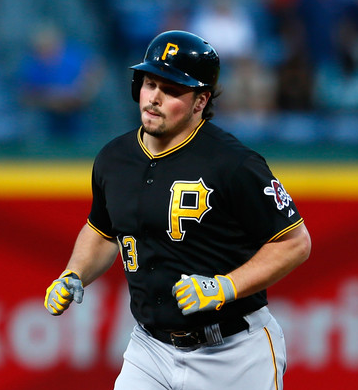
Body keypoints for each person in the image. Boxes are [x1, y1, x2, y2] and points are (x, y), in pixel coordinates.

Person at [44, 30, 311, 390]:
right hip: (149, 348)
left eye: (171, 90)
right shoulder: (114, 157)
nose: (154, 98)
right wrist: (73, 273)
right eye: (150, 83)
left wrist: (225, 287)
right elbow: (104, 230)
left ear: (200, 101)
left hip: (233, 351)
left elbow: (295, 242)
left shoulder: (234, 163)